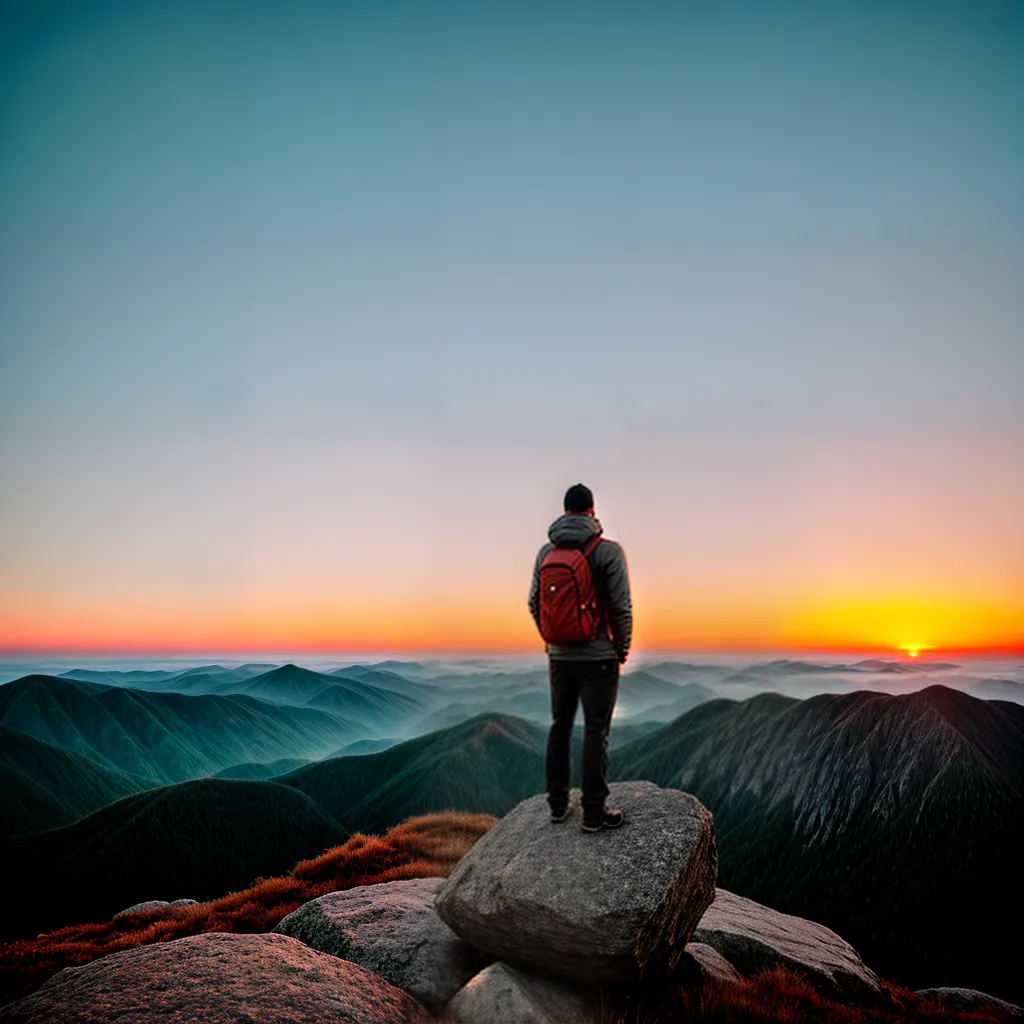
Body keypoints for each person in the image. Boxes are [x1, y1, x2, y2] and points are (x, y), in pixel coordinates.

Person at [528, 483, 633, 832]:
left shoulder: (546, 553)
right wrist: (622, 647)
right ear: (592, 511)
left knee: (560, 727)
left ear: (564, 512)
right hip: (599, 658)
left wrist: (553, 641)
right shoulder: (608, 552)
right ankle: (592, 813)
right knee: (595, 730)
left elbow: (533, 603)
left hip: (559, 659)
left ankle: (558, 805)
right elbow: (621, 606)